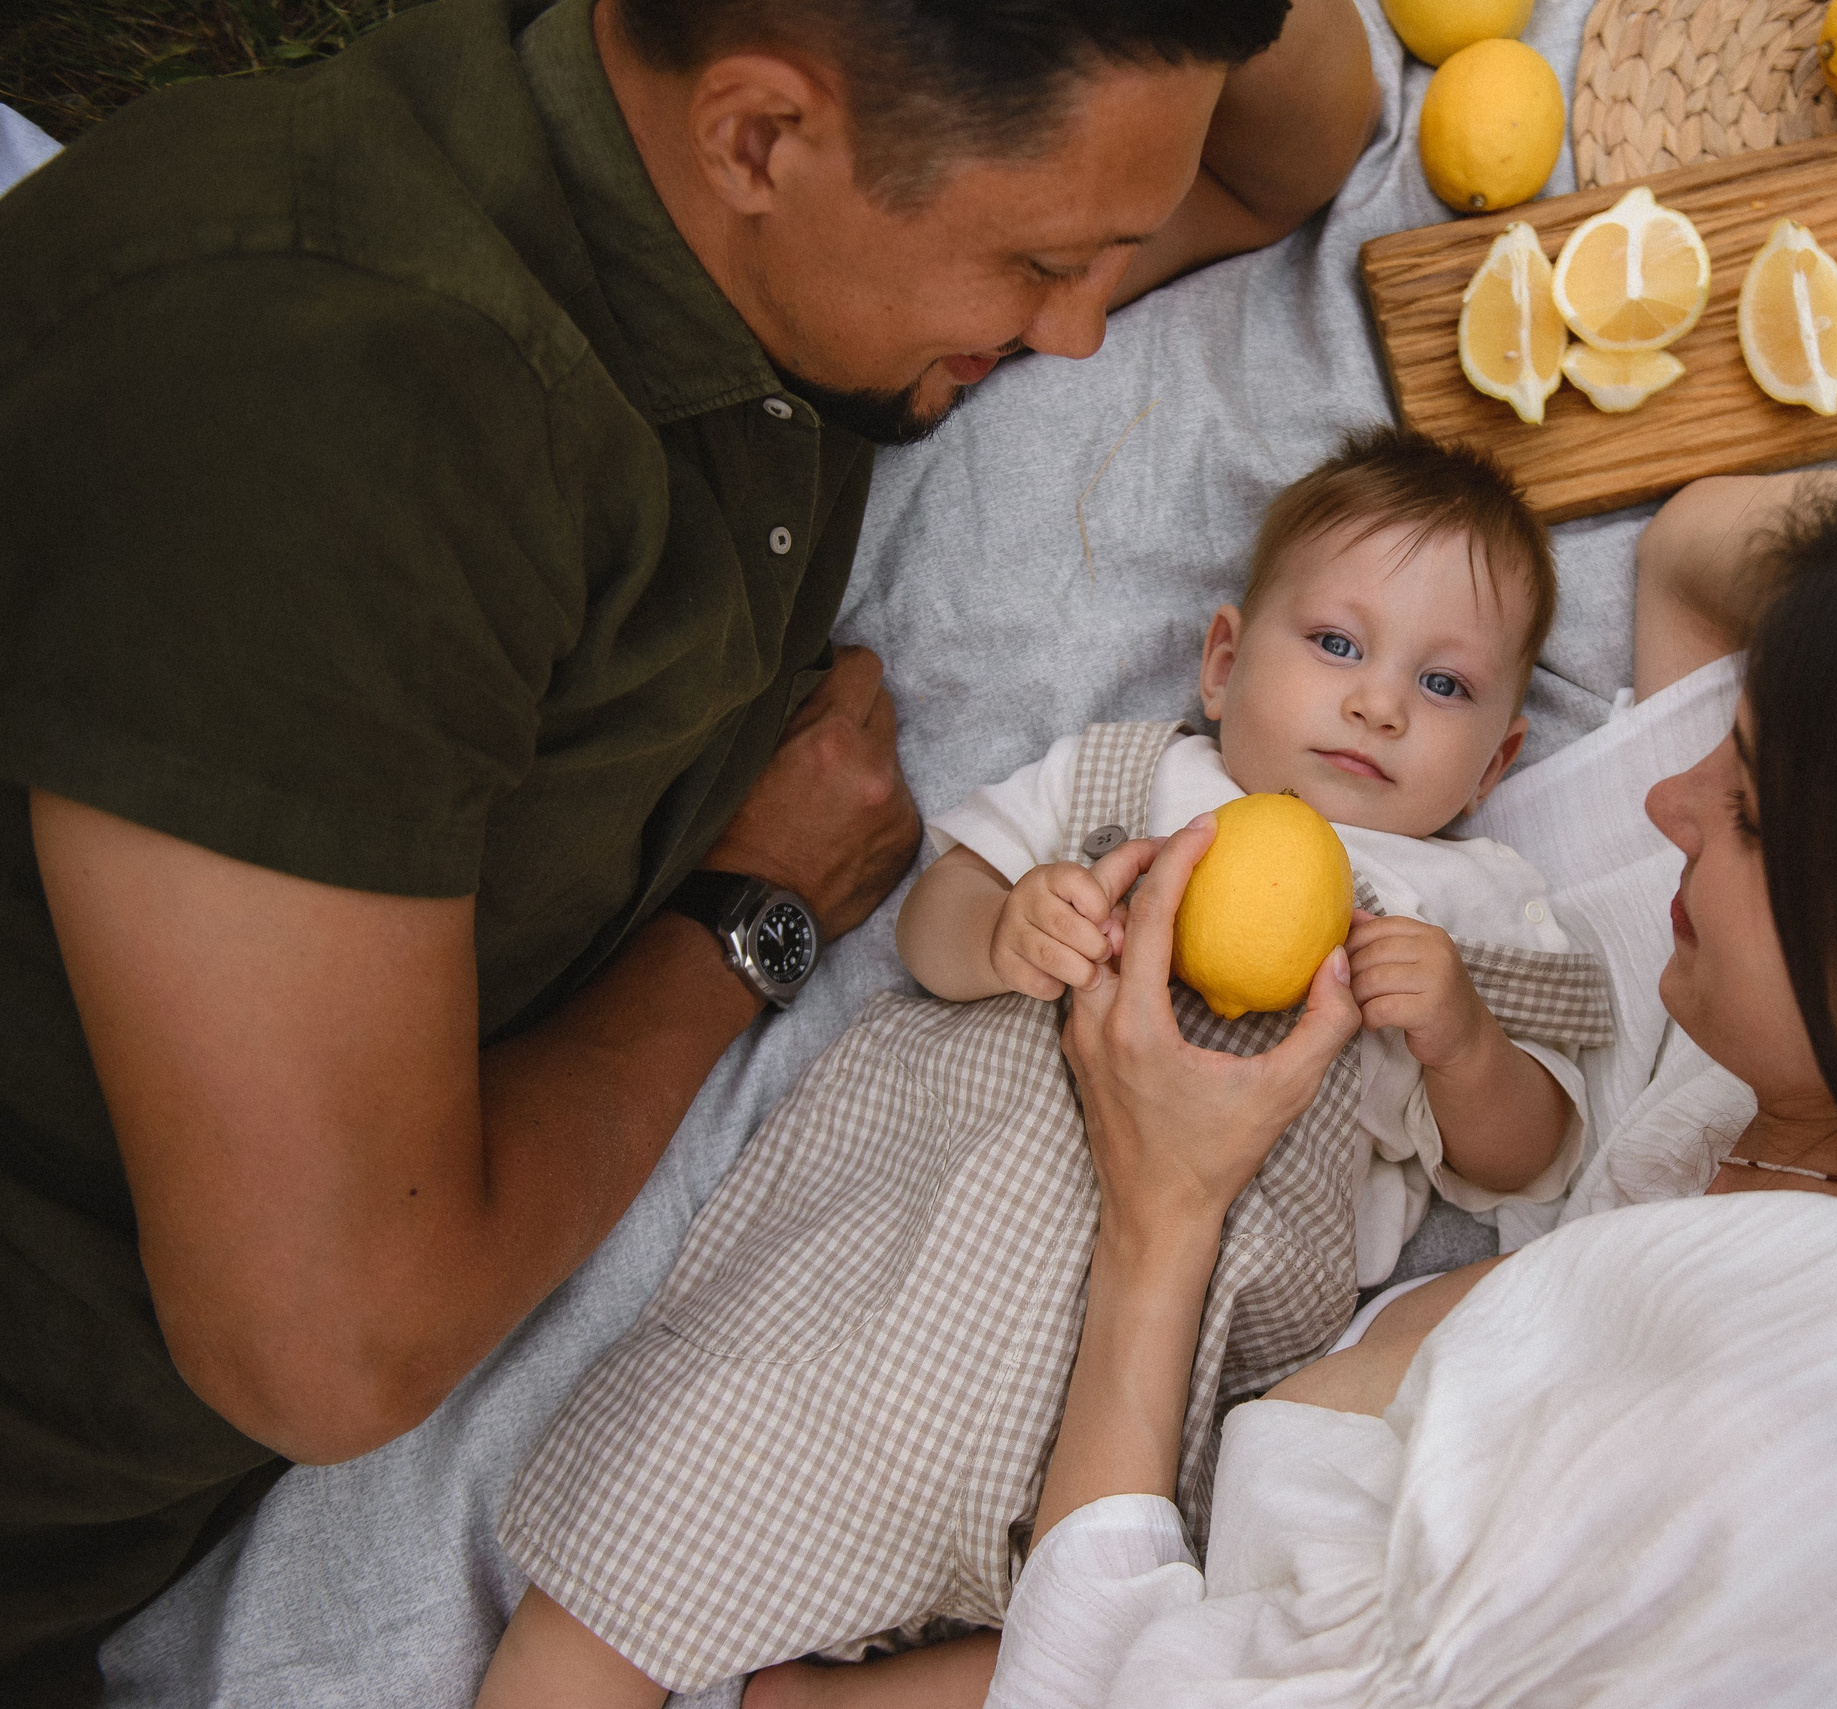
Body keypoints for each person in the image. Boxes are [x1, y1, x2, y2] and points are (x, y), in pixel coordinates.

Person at [0, 0, 1377, 1695]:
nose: (1085, 332)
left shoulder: (757, 188)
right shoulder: (336, 426)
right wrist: (758, 912)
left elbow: (1289, 141)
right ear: (757, 141)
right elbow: (328, 1348)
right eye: (1036, 269)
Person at [791, 452, 1837, 1706]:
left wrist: (1167, 1207)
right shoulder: (1790, 1069)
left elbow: (1104, 1691)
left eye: (1752, 809)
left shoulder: (1762, 1470)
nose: (1673, 802)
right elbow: (1698, 554)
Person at [472, 427, 1614, 1704]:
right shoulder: (1132, 776)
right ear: (1224, 663)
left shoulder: (1466, 911)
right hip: (889, 1303)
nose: (1379, 702)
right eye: (1337, 644)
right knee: (663, 1516)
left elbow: (1528, 1157)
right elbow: (927, 923)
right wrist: (1008, 929)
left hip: (1133, 1405)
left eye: (1446, 686)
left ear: (1501, 759)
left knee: (1126, 1656)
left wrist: (1458, 1039)